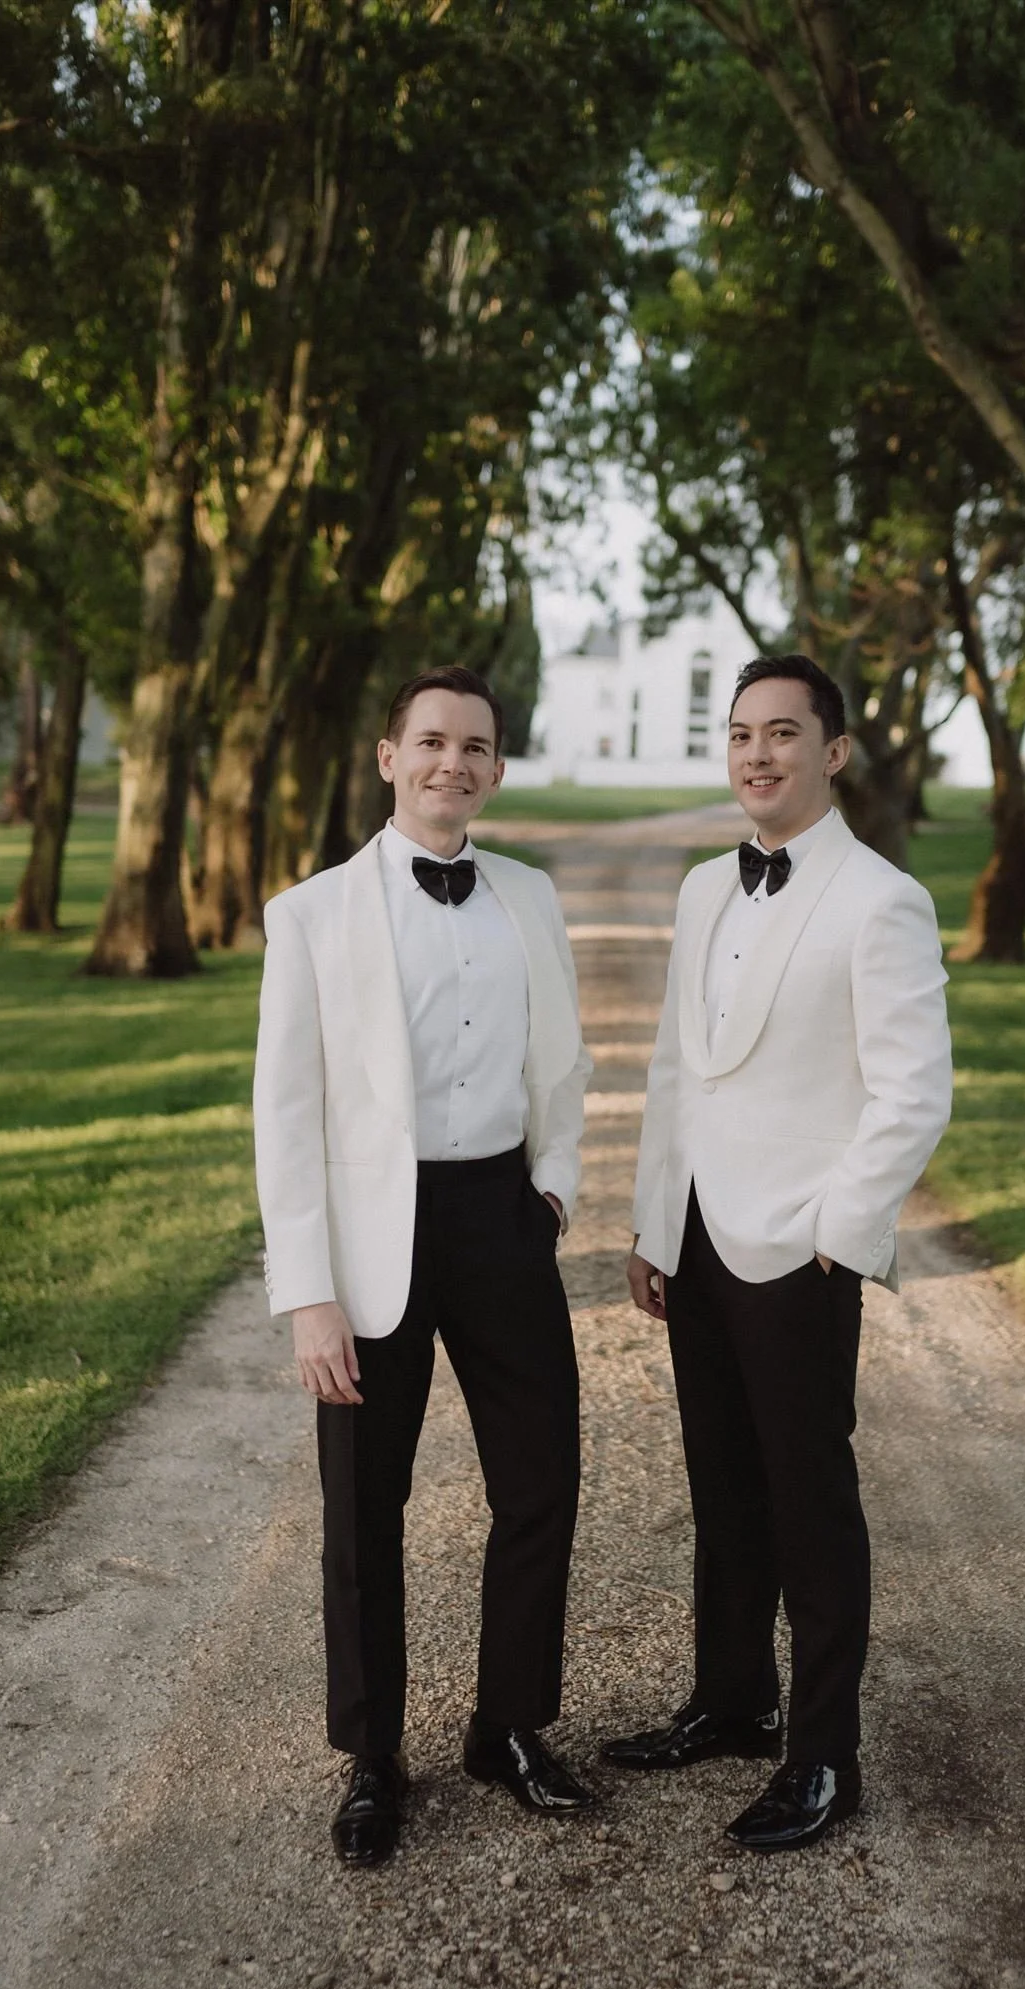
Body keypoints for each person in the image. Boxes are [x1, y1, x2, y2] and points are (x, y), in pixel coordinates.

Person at [603, 653, 952, 1853]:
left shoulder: (879, 899)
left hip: (800, 1244)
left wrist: (838, 1236)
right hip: (698, 1232)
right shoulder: (705, 887)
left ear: (835, 750)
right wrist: (656, 1222)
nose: (757, 754)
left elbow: (912, 1095)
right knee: (721, 1482)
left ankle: (824, 1755)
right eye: (743, 734)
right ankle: (732, 1697)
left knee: (811, 1500)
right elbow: (671, 1068)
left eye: (784, 734)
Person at [253, 664, 594, 1867]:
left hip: (500, 1213)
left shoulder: (531, 897)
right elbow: (285, 1111)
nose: (455, 762)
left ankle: (505, 1726)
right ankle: (371, 1755)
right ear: (389, 755)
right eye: (433, 741)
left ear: (497, 769)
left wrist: (551, 1183)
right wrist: (307, 1293)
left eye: (478, 747)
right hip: (367, 1239)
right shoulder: (310, 914)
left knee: (541, 1477)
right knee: (363, 1508)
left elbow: (562, 1057)